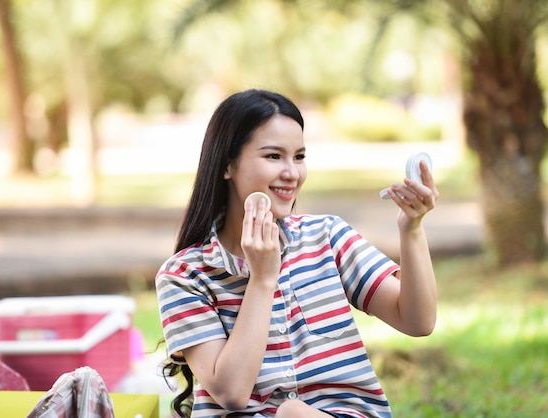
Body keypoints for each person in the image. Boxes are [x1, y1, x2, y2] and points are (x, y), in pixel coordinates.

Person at [156, 89, 439, 418]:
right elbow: (230, 394)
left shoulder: (327, 237)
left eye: (299, 157)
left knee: (294, 413)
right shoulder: (183, 276)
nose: (292, 173)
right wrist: (262, 279)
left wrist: (412, 229)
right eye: (274, 156)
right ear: (227, 165)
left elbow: (417, 321)